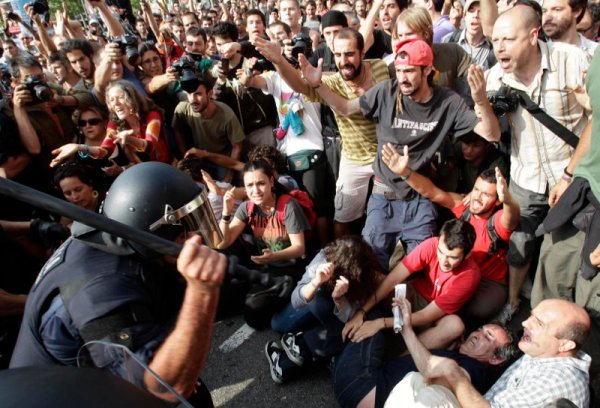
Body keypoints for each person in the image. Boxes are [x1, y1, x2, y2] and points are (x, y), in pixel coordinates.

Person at [10, 162, 227, 407]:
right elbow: (165, 386)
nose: (195, 236)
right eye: (186, 227)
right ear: (155, 230)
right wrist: (202, 292)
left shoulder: (120, 238)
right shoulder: (102, 291)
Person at [302, 38, 499, 269]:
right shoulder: (387, 91)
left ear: (427, 70)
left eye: (409, 71)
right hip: (382, 196)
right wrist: (318, 85)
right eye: (399, 70)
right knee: (369, 264)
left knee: (420, 267)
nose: (402, 78)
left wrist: (480, 100)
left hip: (420, 198)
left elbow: (492, 134)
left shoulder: (447, 102)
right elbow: (346, 108)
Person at [485, 4, 591, 323]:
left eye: (507, 39)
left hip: (572, 178)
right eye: (495, 40)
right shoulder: (494, 76)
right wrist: (481, 102)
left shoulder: (572, 61)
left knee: (563, 253)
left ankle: (564, 318)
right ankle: (514, 303)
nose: (499, 47)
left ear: (533, 36)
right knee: (520, 241)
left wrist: (571, 173)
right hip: (526, 177)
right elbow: (491, 135)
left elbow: (594, 120)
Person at [254, 28, 390, 239]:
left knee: (389, 217)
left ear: (363, 53)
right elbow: (299, 85)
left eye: (350, 54)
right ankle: (337, 261)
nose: (344, 61)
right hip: (354, 159)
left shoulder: (381, 69)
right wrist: (279, 61)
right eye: (337, 55)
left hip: (386, 155)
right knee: (342, 218)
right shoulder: (331, 83)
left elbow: (347, 107)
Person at [384, 145, 519, 321]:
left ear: (497, 201)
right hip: (457, 269)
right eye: (477, 190)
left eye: (486, 194)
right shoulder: (464, 206)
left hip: (488, 281)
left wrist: (508, 200)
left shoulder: (497, 221)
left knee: (472, 312)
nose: (477, 197)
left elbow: (512, 218)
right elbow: (431, 192)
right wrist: (405, 172)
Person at [333, 298, 518, 408]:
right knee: (363, 324)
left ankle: (312, 344)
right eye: (480, 329)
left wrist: (407, 330)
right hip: (367, 384)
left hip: (363, 385)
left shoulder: (475, 370)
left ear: (495, 359)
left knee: (370, 313)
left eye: (488, 336)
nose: (478, 334)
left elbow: (445, 376)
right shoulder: (462, 357)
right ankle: (331, 350)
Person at [342, 219, 480, 350]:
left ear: (467, 255)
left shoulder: (469, 276)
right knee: (374, 276)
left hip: (434, 318)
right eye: (441, 252)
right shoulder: (432, 244)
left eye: (453, 257)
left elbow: (426, 316)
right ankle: (347, 320)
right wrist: (362, 311)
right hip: (413, 294)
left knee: (454, 325)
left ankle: (401, 358)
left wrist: (380, 323)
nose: (444, 261)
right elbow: (393, 278)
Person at [428, 299, 592, 408]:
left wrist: (455, 375)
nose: (525, 323)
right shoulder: (546, 350)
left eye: (539, 324)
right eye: (531, 316)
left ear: (565, 345)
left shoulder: (554, 383)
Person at [265, 236, 384, 384]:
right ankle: (309, 345)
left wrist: (340, 300)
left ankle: (299, 347)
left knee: (365, 321)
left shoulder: (366, 273)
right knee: (279, 324)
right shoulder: (323, 260)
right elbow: (296, 300)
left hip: (338, 311)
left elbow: (352, 319)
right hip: (319, 302)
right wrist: (316, 282)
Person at [218, 159, 311, 328]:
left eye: (261, 183)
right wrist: (226, 211)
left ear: (271, 182)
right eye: (250, 185)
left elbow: (299, 248)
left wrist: (273, 256)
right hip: (266, 268)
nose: (255, 190)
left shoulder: (287, 206)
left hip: (291, 270)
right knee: (222, 300)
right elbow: (223, 243)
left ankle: (298, 301)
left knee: (254, 314)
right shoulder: (247, 207)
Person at [51, 80, 171, 169]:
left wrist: (128, 139)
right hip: (147, 172)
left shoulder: (152, 115)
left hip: (168, 167)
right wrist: (80, 147)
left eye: (120, 98)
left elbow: (150, 146)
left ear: (132, 98)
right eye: (112, 100)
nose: (116, 104)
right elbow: (104, 152)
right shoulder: (114, 124)